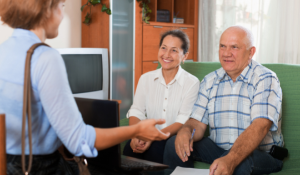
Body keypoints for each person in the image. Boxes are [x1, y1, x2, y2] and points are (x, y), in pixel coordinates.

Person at [0, 0, 169, 174]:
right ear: (46, 9)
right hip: (39, 168)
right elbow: (79, 139)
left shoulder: (3, 51)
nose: (62, 15)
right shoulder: (45, 57)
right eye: (61, 6)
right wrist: (137, 129)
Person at [164, 26, 284, 175]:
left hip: (261, 155)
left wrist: (231, 159)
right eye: (222, 46)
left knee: (240, 161)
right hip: (219, 149)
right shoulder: (209, 80)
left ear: (250, 52)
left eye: (234, 47)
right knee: (173, 144)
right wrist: (186, 131)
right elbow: (197, 123)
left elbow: (260, 127)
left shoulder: (265, 79)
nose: (227, 53)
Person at [123, 30, 200, 164]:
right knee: (129, 149)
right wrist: (136, 134)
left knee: (156, 150)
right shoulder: (145, 78)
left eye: (174, 50)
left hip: (172, 139)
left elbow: (182, 120)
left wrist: (152, 137)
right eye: (163, 48)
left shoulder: (192, 83)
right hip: (146, 135)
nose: (166, 55)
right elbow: (137, 111)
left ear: (184, 56)